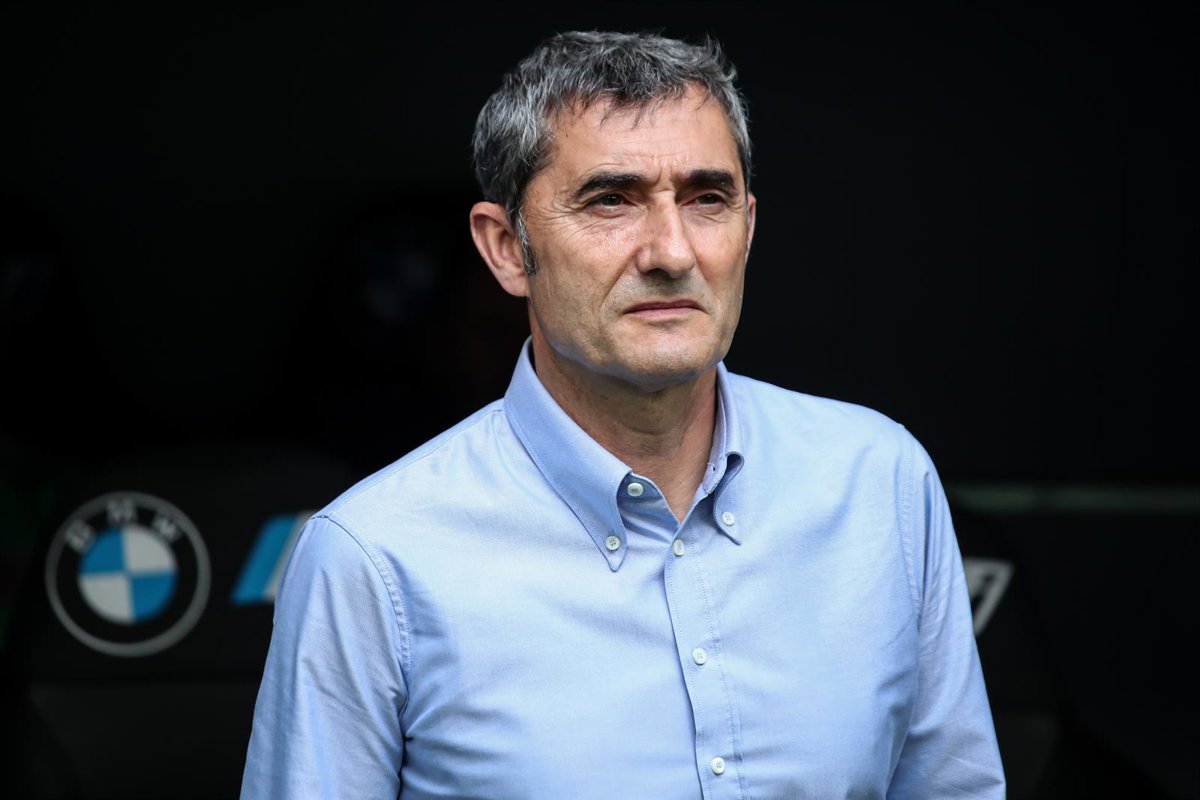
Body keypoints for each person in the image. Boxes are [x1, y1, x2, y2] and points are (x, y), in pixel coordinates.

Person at [240, 30, 1005, 799]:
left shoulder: (879, 483)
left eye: (707, 199)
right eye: (611, 200)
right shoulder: (374, 558)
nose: (671, 251)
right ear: (505, 248)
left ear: (748, 228)